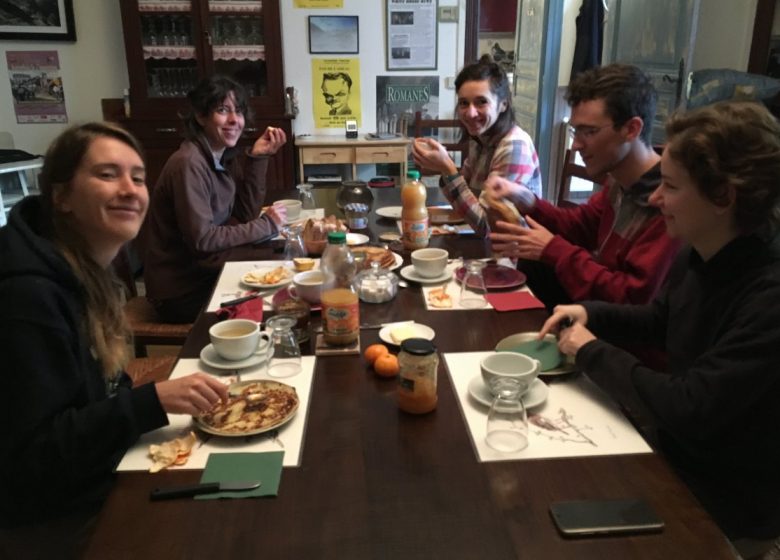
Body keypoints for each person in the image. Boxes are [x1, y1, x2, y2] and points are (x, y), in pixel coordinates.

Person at [539, 101, 780, 557]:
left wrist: (590, 350)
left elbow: (690, 405)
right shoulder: (702, 248)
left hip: (723, 501)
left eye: (669, 185)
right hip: (673, 455)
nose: (653, 198)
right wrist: (592, 312)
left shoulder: (768, 296)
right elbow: (659, 319)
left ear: (724, 197)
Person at [0, 122, 229, 556]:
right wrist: (152, 401)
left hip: (93, 474)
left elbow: (94, 391)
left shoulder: (78, 266)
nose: (131, 190)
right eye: (107, 175)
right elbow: (32, 459)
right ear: (61, 196)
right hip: (55, 518)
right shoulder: (26, 297)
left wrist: (135, 400)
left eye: (138, 177)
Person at [488, 64, 681, 307]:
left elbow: (631, 298)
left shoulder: (669, 204)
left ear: (631, 129)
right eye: (575, 131)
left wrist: (552, 249)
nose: (576, 144)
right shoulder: (619, 182)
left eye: (589, 132)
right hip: (598, 313)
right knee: (531, 264)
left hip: (623, 334)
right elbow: (580, 227)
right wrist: (529, 201)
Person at [143, 75, 287, 323]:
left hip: (204, 271)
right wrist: (265, 226)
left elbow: (244, 215)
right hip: (179, 291)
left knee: (280, 275)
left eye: (239, 111)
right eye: (222, 110)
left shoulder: (220, 155)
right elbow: (203, 239)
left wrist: (257, 157)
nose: (234, 120)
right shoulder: (189, 163)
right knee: (276, 296)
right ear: (200, 116)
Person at [411, 54, 542, 237]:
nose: (471, 113)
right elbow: (467, 200)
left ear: (503, 104)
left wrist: (447, 168)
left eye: (481, 102)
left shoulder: (514, 147)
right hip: (485, 246)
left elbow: (487, 227)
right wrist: (444, 170)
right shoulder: (481, 139)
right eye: (464, 103)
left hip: (514, 255)